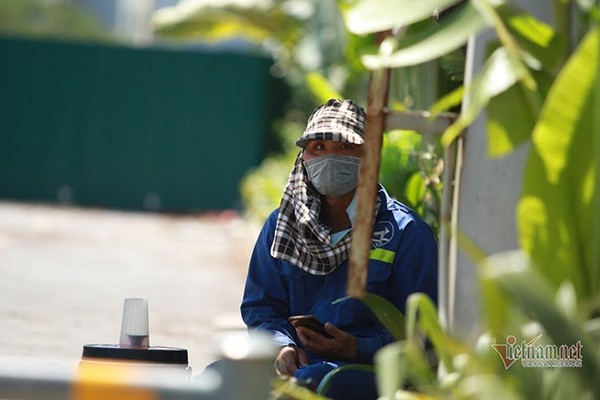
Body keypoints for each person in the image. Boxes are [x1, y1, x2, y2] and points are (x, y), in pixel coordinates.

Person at [240, 98, 438, 399]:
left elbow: (423, 336)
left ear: (370, 156)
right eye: (318, 147)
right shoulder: (282, 225)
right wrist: (282, 346)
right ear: (303, 156)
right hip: (297, 367)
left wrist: (357, 347)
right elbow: (261, 306)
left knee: (310, 384)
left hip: (367, 373)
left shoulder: (406, 233)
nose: (330, 157)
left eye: (345, 147)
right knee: (220, 375)